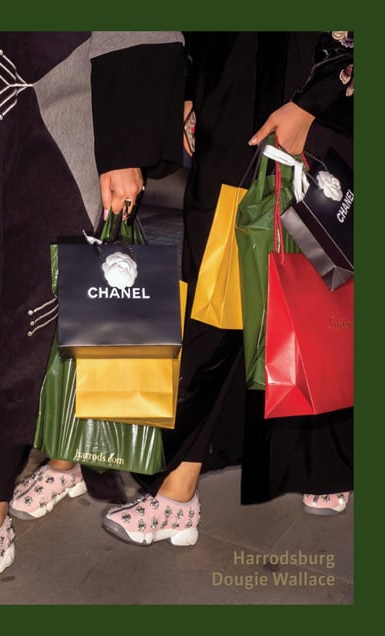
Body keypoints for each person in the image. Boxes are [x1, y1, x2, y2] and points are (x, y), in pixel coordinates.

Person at [101, 31, 354, 546]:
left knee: (315, 276)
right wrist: (187, 86)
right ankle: (179, 487)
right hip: (228, 103)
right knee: (214, 296)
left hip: (313, 95)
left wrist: (313, 101)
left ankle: (323, 455)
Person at [0, 31, 186, 596]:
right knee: (19, 307)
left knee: (22, 313)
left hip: (50, 124)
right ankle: (66, 458)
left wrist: (125, 149)